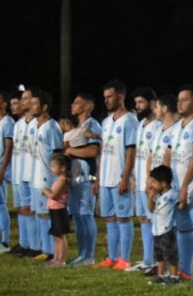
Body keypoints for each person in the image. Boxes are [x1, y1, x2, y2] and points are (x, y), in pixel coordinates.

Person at [164, 85, 193, 282]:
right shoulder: (176, 127)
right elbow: (167, 155)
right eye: (179, 99)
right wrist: (163, 182)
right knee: (184, 228)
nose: (180, 103)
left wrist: (185, 186)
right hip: (176, 188)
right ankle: (185, 270)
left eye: (184, 99)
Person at [92, 80, 139, 271]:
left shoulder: (129, 121)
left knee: (123, 218)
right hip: (105, 179)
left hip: (120, 178)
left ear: (120, 96)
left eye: (110, 97)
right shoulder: (105, 122)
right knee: (109, 218)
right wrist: (98, 177)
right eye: (105, 97)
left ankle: (125, 259)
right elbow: (103, 151)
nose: (106, 101)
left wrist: (125, 177)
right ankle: (112, 257)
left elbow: (131, 152)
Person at [62, 93, 102, 265]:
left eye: (77, 102)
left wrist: (70, 152)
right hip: (75, 176)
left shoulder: (93, 124)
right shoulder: (79, 126)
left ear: (87, 107)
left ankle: (89, 255)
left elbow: (94, 151)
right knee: (78, 216)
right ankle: (81, 253)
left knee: (86, 215)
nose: (72, 105)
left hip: (87, 176)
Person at [27, 91, 64, 262]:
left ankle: (51, 251)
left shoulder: (51, 127)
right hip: (36, 177)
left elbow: (58, 153)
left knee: (46, 214)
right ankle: (44, 248)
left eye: (35, 103)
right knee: (38, 213)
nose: (31, 106)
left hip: (46, 178)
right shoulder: (34, 126)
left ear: (44, 107)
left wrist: (55, 178)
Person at [129, 87, 161, 273]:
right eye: (136, 103)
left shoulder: (157, 126)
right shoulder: (141, 124)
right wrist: (134, 177)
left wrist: (152, 180)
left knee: (154, 220)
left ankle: (157, 261)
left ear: (152, 103)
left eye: (141, 102)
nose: (138, 106)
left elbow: (153, 156)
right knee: (143, 219)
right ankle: (147, 259)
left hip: (150, 182)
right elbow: (139, 154)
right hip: (139, 180)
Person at [12, 88, 39, 257]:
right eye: (22, 99)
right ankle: (24, 243)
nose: (23, 102)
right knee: (22, 208)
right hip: (18, 173)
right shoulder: (19, 124)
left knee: (33, 209)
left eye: (26, 98)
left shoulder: (38, 124)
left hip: (33, 174)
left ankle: (36, 245)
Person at [147, 165, 180, 285]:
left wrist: (181, 205)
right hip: (157, 230)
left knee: (171, 255)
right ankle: (160, 275)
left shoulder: (172, 194)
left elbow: (181, 203)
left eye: (155, 182)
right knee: (159, 255)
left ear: (164, 183)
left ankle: (175, 277)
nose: (152, 185)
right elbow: (151, 210)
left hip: (167, 229)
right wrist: (150, 198)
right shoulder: (158, 195)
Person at [41, 153, 71, 266]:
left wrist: (45, 190)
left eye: (54, 166)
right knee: (56, 235)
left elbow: (53, 195)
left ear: (62, 168)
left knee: (60, 236)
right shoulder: (58, 179)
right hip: (54, 210)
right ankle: (56, 258)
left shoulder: (63, 180)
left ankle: (61, 259)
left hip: (59, 211)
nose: (51, 168)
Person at [0, 91, 13, 252]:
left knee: (1, 205)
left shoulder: (7, 123)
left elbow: (9, 148)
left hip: (1, 167)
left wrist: (2, 169)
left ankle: (5, 242)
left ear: (3, 104)